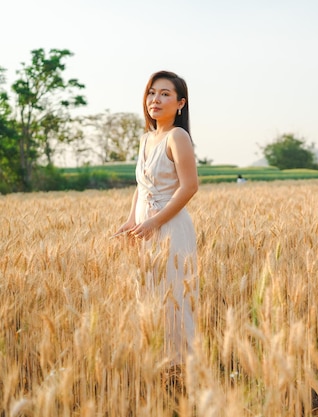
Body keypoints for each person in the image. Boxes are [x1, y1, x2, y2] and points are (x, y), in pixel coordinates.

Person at [114, 70, 199, 397]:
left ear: (180, 103)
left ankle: (183, 373)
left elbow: (190, 187)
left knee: (175, 297)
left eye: (165, 94)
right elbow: (141, 186)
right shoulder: (146, 138)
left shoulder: (177, 136)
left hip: (170, 226)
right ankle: (161, 366)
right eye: (152, 93)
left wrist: (154, 222)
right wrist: (130, 220)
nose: (155, 100)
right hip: (145, 227)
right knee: (150, 295)